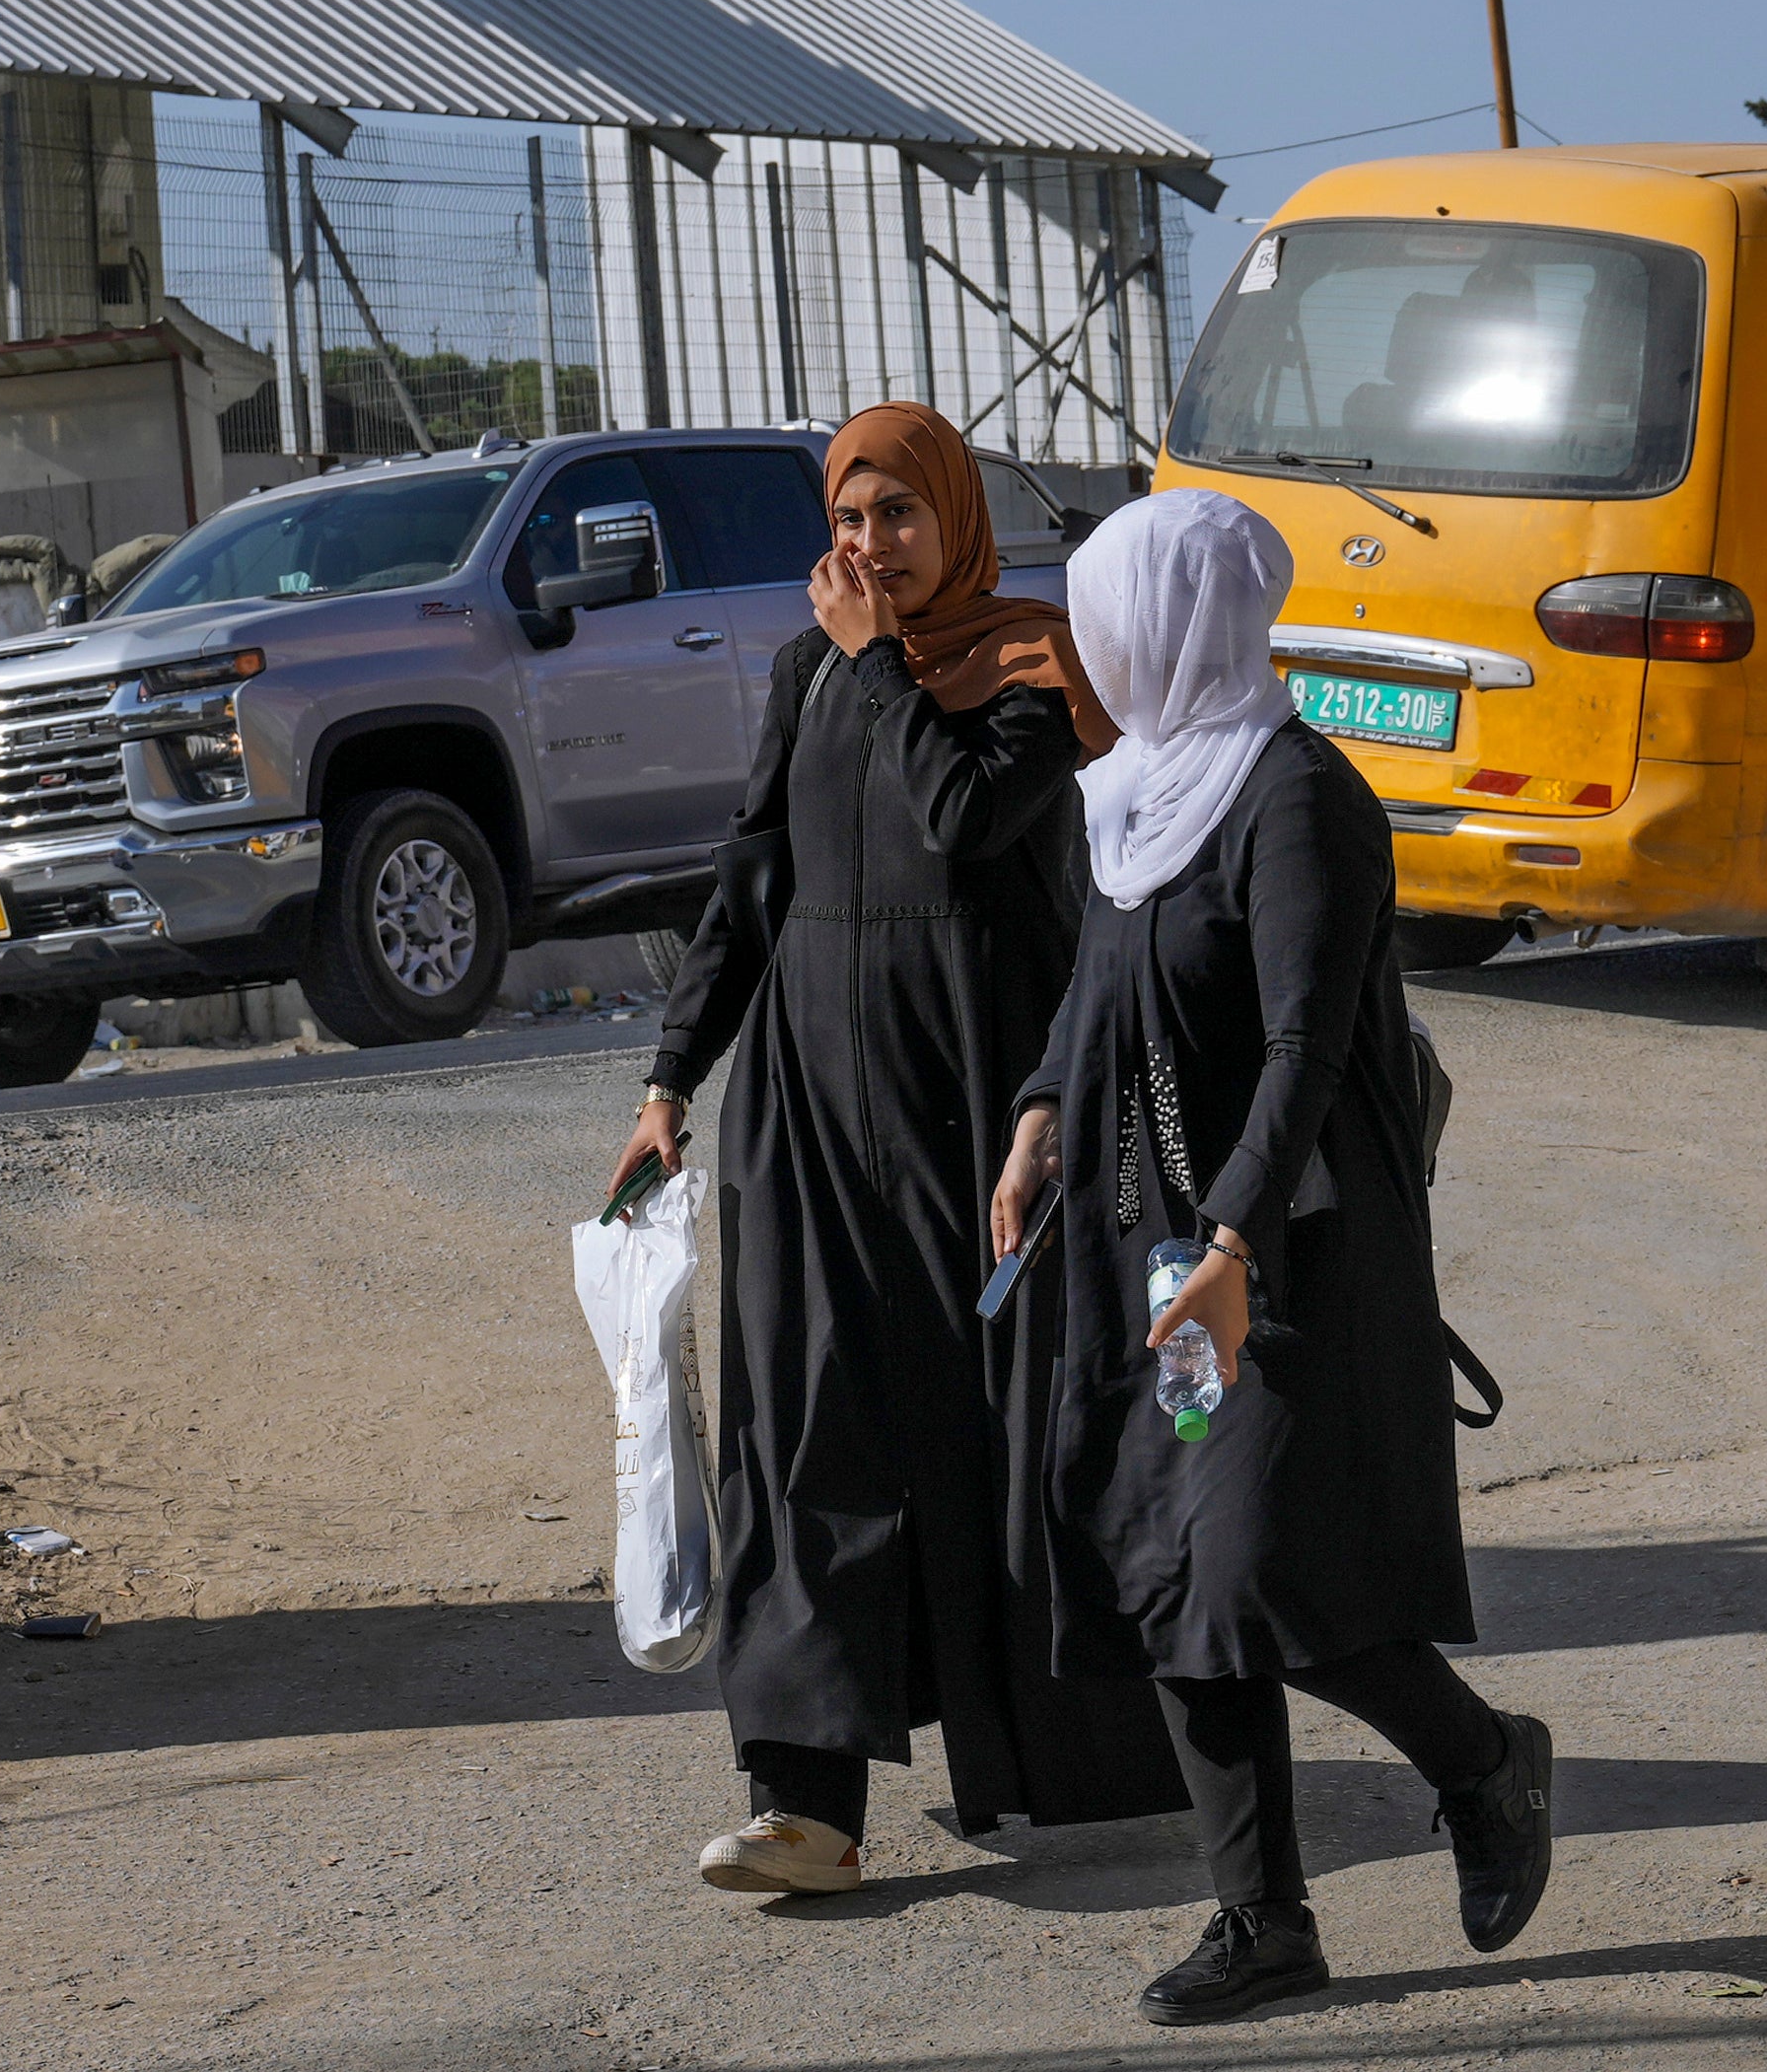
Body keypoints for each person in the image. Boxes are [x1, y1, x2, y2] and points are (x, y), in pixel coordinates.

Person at [992, 486, 1553, 2022]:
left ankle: (1483, 1762)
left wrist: (1232, 1233)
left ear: (1175, 628)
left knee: (1257, 1560)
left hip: (1267, 1247)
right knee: (1179, 1558)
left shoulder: (1295, 798)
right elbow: (1102, 990)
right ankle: (1265, 1921)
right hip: (1145, 1237)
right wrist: (1043, 1113)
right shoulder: (1139, 792)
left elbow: (1308, 1046)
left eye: (1106, 624)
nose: (1088, 655)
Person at [609, 406, 1180, 1895]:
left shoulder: (1030, 675)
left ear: (957, 521)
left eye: (899, 519)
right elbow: (749, 878)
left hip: (975, 1107)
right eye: (849, 522)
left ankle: (1066, 1756)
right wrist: (674, 1074)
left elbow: (964, 820)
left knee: (997, 1430)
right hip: (804, 1116)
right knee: (805, 1432)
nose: (868, 550)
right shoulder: (807, 672)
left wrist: (878, 666)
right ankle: (803, 1799)